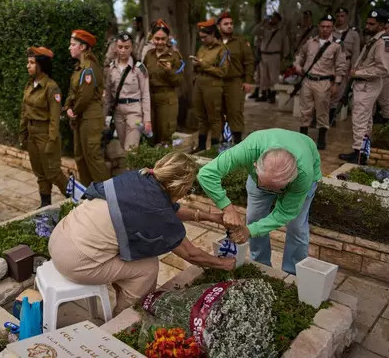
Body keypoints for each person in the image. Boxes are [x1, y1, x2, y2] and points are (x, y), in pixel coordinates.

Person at [49, 152, 236, 315]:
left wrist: (211, 217)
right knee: (148, 268)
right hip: (75, 261)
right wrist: (224, 263)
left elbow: (170, 209)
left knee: (128, 252)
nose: (188, 192)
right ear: (180, 186)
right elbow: (191, 254)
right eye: (188, 188)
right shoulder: (157, 211)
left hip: (60, 237)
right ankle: (125, 318)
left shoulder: (142, 178)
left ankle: (124, 291)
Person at [198, 128, 321, 275]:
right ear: (255, 165)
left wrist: (250, 231)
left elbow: (285, 213)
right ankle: (261, 266)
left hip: (302, 163)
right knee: (254, 218)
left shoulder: (303, 174)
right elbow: (206, 174)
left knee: (296, 227)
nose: (271, 191)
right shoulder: (249, 149)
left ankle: (292, 274)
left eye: (277, 188)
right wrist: (227, 208)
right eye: (266, 185)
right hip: (262, 174)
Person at [339, 10, 389, 165]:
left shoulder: (383, 42)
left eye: (372, 24)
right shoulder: (375, 40)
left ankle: (359, 154)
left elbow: (383, 69)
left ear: (381, 25)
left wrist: (358, 72)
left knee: (360, 118)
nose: (367, 26)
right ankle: (362, 151)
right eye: (367, 23)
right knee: (366, 119)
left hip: (367, 84)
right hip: (363, 83)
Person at [20, 46, 69, 207]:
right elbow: (24, 112)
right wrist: (23, 135)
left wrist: (52, 140)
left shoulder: (51, 87)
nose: (28, 66)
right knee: (40, 173)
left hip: (45, 134)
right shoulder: (29, 85)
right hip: (32, 134)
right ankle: (45, 205)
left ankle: (77, 199)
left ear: (41, 64)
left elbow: (55, 118)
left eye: (32, 62)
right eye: (28, 62)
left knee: (53, 173)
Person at [293, 14, 347, 150]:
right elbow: (300, 54)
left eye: (328, 27)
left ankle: (321, 141)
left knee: (322, 112)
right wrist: (298, 65)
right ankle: (302, 139)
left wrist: (337, 84)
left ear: (332, 28)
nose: (325, 29)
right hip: (307, 80)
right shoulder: (311, 42)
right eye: (322, 26)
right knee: (305, 111)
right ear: (319, 27)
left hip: (323, 82)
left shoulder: (336, 45)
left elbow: (341, 65)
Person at [64, 29, 110, 186]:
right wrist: (67, 107)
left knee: (93, 157)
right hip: (81, 117)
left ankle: (107, 196)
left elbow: (85, 96)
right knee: (80, 156)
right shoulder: (79, 68)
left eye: (73, 44)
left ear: (82, 47)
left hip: (89, 117)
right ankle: (88, 192)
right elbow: (73, 92)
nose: (69, 47)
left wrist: (74, 111)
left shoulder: (89, 68)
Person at [104, 32, 151, 152]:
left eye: (126, 47)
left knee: (131, 149)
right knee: (124, 147)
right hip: (118, 112)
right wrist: (104, 117)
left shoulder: (139, 68)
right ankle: (133, 170)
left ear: (132, 48)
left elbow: (145, 95)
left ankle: (131, 170)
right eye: (120, 47)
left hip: (134, 111)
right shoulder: (111, 68)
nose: (123, 50)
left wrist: (147, 120)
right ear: (115, 48)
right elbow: (108, 96)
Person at [142, 19, 184, 144]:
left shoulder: (175, 56)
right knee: (150, 135)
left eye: (163, 39)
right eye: (157, 39)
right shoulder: (149, 55)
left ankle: (166, 162)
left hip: (167, 98)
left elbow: (179, 81)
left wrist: (169, 71)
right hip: (150, 98)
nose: (160, 42)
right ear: (152, 38)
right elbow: (143, 76)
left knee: (165, 134)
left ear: (167, 39)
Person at [217, 12, 255, 144]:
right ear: (218, 26)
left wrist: (248, 81)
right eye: (225, 24)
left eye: (231, 24)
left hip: (234, 81)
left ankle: (238, 142)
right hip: (217, 82)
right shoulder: (215, 42)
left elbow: (249, 62)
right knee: (218, 112)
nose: (229, 26)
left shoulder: (240, 42)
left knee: (235, 112)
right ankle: (223, 141)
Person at [192, 18, 229, 151]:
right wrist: (196, 65)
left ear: (213, 34)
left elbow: (223, 72)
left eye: (204, 37)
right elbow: (199, 66)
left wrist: (203, 65)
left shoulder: (222, 49)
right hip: (199, 84)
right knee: (201, 117)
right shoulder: (202, 48)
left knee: (214, 118)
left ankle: (214, 148)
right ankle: (201, 146)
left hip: (213, 86)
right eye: (200, 37)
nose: (202, 39)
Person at [330, 7, 361, 124]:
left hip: (345, 64)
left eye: (342, 16)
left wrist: (353, 69)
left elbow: (356, 53)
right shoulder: (330, 31)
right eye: (338, 16)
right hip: (329, 63)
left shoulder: (353, 34)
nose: (340, 18)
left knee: (338, 91)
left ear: (347, 17)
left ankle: (331, 117)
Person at [252, 12, 290, 103]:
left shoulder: (281, 30)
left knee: (273, 77)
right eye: (272, 17)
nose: (272, 19)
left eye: (275, 17)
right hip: (264, 55)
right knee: (263, 76)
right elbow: (253, 32)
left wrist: (285, 55)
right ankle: (264, 94)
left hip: (275, 55)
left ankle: (272, 94)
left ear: (278, 19)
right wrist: (262, 23)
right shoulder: (264, 28)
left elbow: (285, 43)